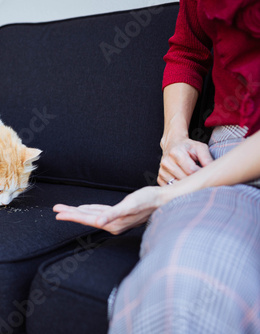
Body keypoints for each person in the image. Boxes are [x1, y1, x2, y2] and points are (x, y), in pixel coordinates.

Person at [54, 0, 260, 332]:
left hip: (220, 171)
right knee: (188, 276)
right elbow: (187, 52)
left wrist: (165, 197)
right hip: (227, 156)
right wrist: (174, 138)